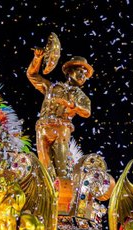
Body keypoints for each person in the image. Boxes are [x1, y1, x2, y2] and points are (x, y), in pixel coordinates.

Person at [27, 49, 93, 178]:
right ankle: (50, 195)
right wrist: (37, 58)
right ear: (70, 71)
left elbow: (87, 112)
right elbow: (32, 74)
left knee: (61, 167)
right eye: (80, 71)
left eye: (85, 74)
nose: (83, 76)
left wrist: (73, 105)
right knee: (45, 167)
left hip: (61, 129)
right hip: (43, 128)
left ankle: (64, 194)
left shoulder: (80, 95)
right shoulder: (51, 87)